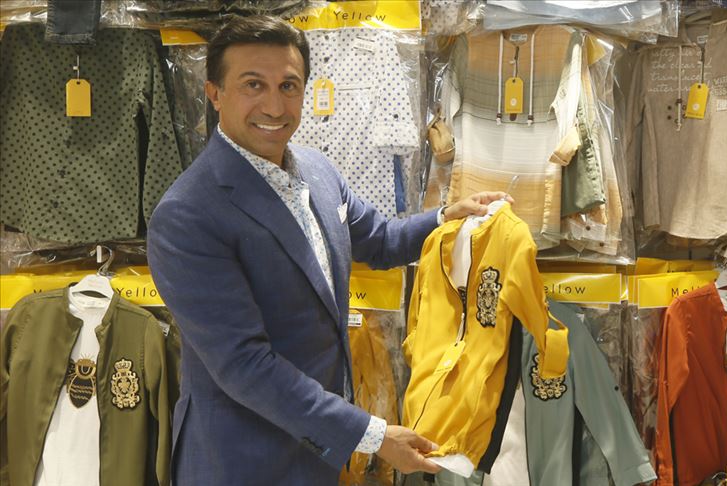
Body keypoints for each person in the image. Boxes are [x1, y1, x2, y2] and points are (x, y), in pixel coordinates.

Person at [147, 15, 511, 485]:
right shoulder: (187, 215)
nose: (274, 105)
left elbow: (380, 240)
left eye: (288, 86)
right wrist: (372, 435)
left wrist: (447, 218)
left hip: (315, 450)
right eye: (253, 85)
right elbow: (244, 366)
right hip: (240, 458)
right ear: (214, 93)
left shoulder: (317, 170)